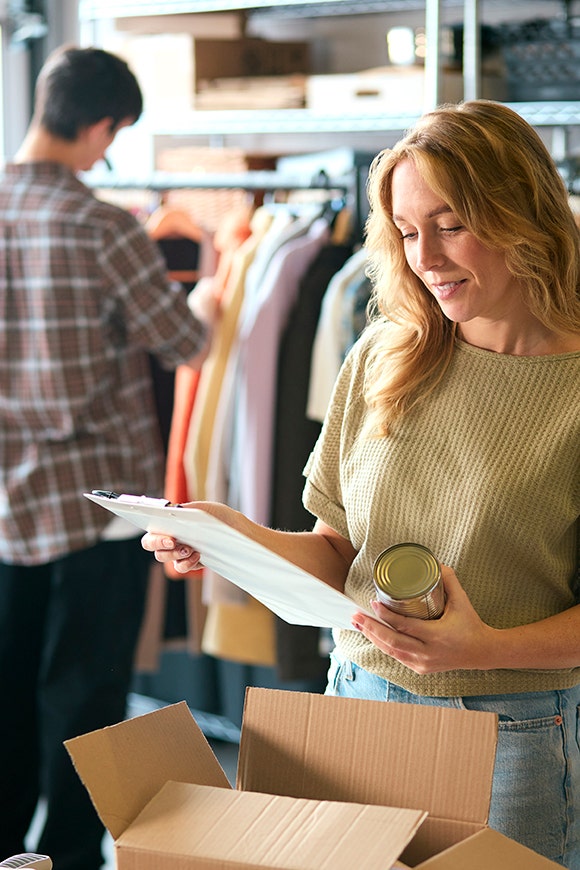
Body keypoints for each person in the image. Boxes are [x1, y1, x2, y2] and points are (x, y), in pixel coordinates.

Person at [142, 99, 580, 868]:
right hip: (357, 700)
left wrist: (485, 647)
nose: (426, 259)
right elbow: (339, 551)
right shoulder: (385, 354)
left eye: (451, 225)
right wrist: (224, 534)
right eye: (409, 234)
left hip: (513, 733)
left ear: (523, 214)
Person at [0, 46, 216, 870]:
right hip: (94, 507)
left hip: (6, 507)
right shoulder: (103, 225)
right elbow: (184, 341)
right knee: (84, 699)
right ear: (101, 125)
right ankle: (67, 856)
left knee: (7, 688)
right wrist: (211, 294)